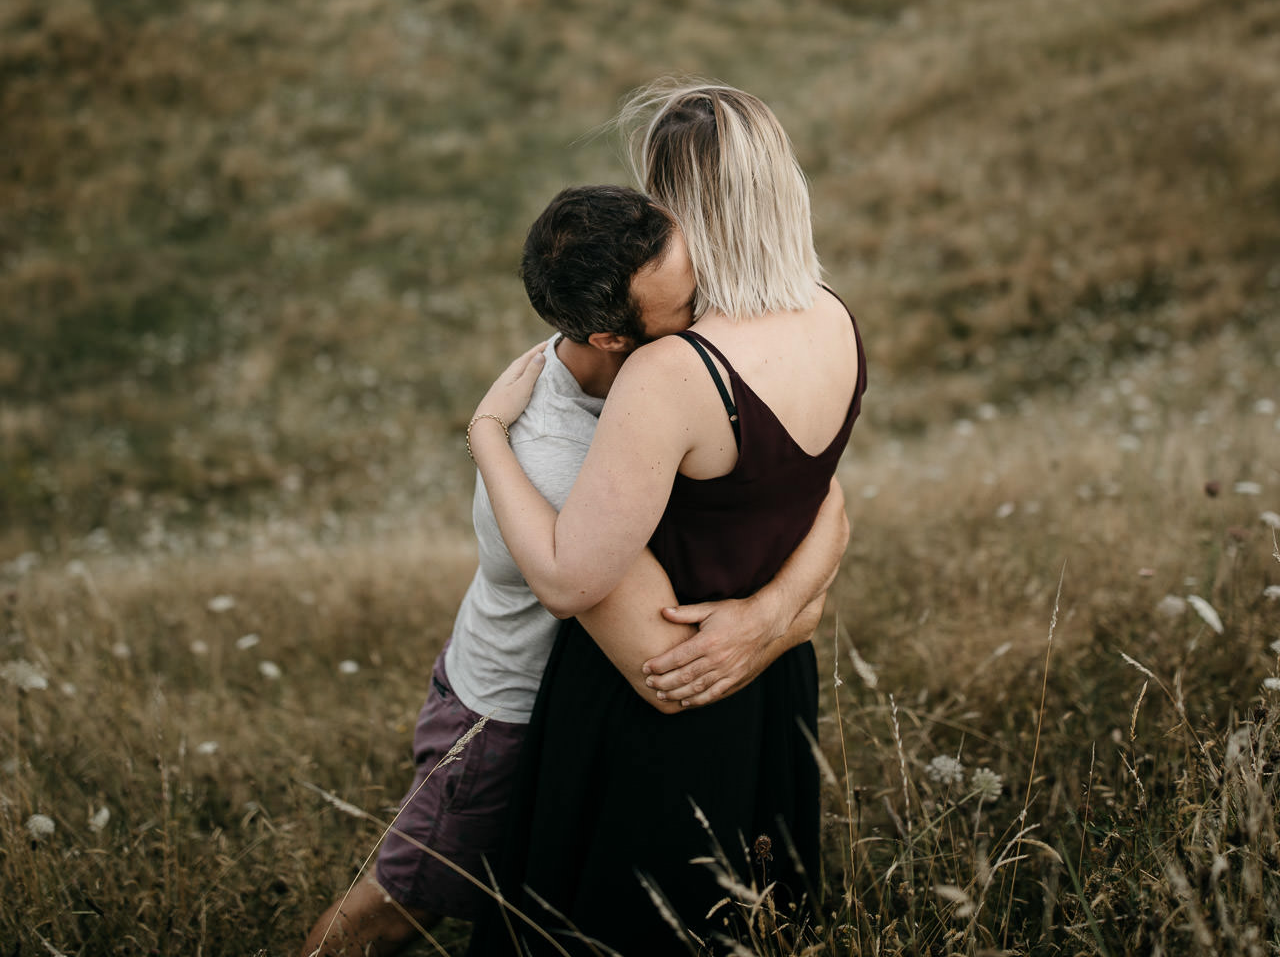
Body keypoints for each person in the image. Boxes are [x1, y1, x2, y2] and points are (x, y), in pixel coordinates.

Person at [295, 184, 849, 957]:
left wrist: (773, 609)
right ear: (611, 337)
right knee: (399, 908)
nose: (712, 311)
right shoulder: (560, 459)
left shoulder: (655, 382)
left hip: (572, 709)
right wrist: (790, 620)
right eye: (687, 305)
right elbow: (663, 664)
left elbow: (824, 496)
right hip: (504, 719)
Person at [466, 81, 866, 954]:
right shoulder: (834, 315)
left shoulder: (673, 370)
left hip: (659, 706)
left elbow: (575, 580)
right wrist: (774, 620)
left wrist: (486, 435)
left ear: (676, 209)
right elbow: (827, 499)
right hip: (775, 694)